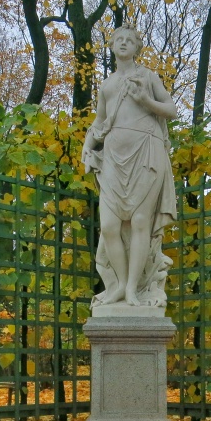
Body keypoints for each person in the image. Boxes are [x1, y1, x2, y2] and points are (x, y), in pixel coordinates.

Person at [82, 26, 178, 309]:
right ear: (112, 46)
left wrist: (145, 100)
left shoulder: (147, 77)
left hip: (146, 154)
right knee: (110, 226)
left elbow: (171, 110)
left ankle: (134, 290)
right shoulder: (107, 85)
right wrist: (88, 144)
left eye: (129, 41)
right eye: (118, 40)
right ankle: (120, 287)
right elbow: (99, 123)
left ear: (137, 48)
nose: (123, 44)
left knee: (139, 223)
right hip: (113, 157)